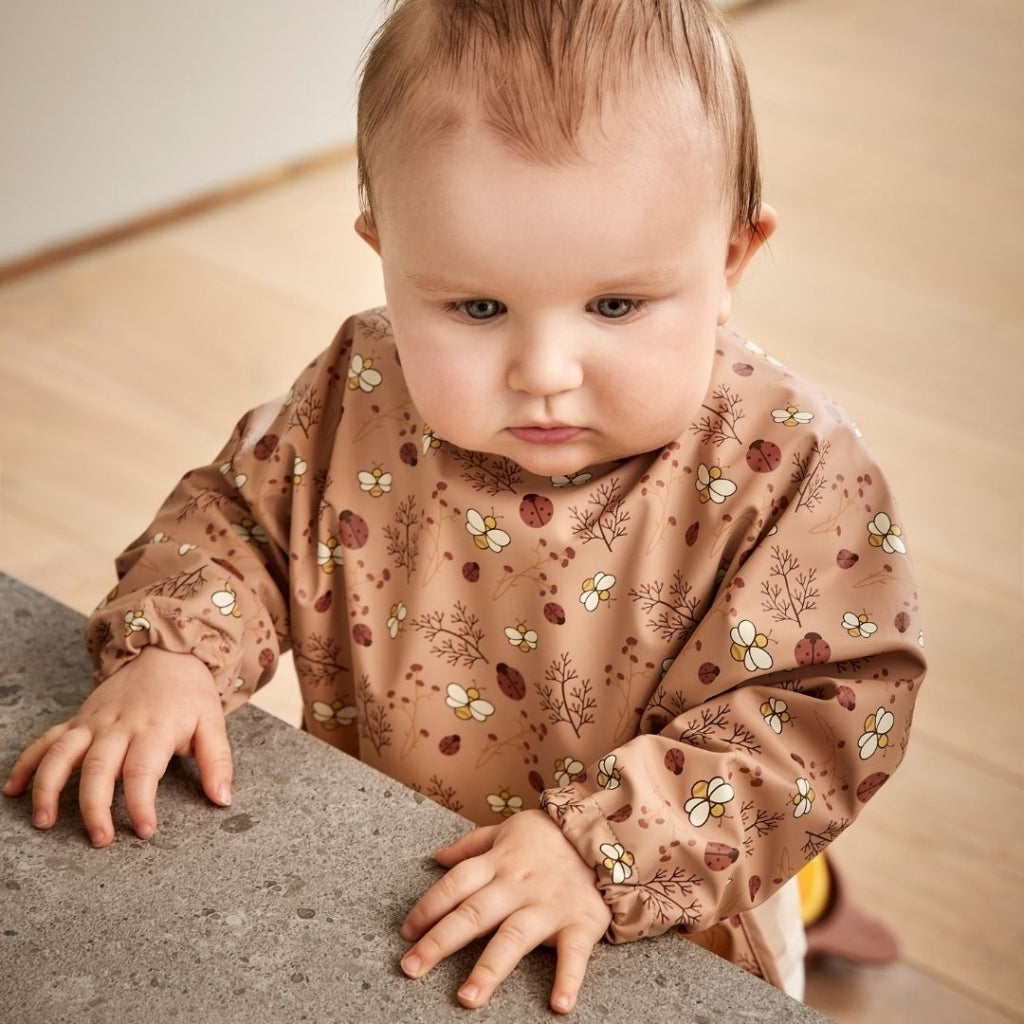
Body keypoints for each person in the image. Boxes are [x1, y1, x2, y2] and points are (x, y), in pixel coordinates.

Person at [4, 0, 926, 1013]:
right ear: (383, 253)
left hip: (656, 905)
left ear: (731, 263)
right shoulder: (363, 390)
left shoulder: (785, 466)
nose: (542, 370)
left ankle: (808, 887)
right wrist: (175, 647)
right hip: (410, 871)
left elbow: (825, 706)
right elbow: (238, 522)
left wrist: (606, 845)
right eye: (475, 308)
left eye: (615, 305)